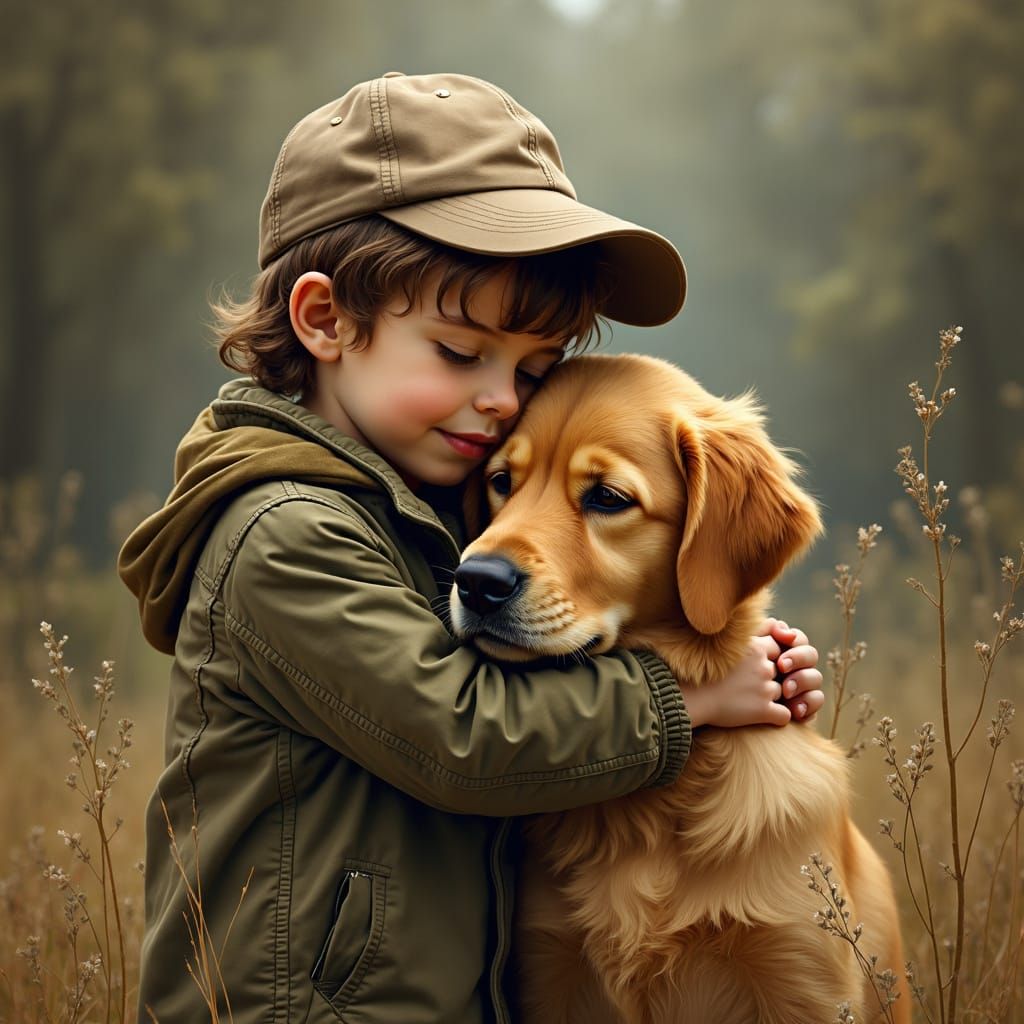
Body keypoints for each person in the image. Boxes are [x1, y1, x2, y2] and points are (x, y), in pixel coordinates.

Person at [118, 71, 823, 1024]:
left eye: (535, 368)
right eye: (461, 353)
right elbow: (464, 737)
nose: (502, 401)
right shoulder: (283, 530)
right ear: (325, 320)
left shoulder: (432, 503)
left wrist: (743, 653)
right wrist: (690, 694)